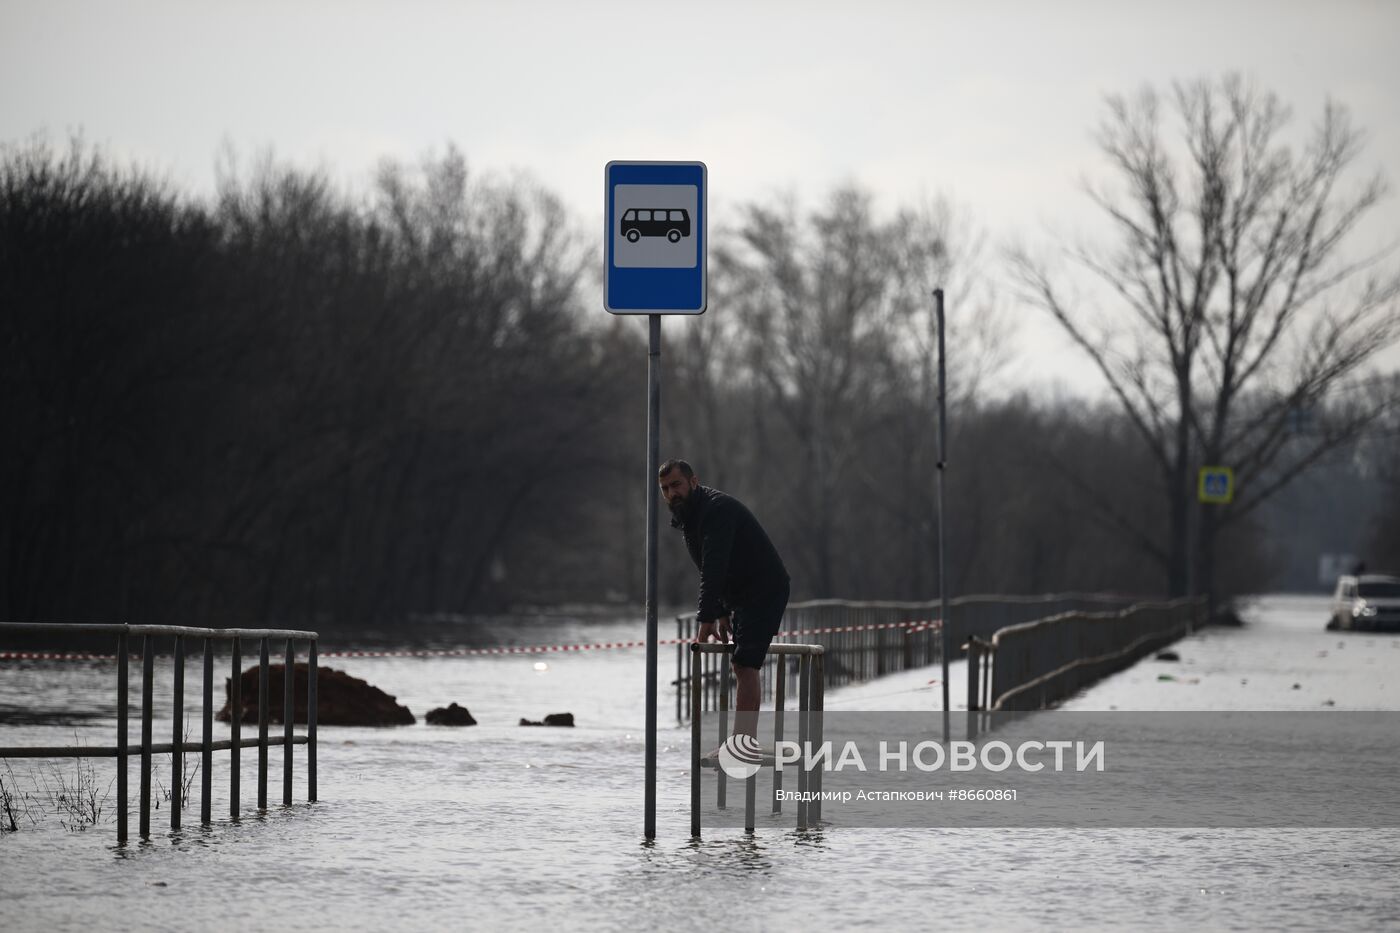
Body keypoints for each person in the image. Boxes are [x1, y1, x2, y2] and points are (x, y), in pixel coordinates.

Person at [659, 458, 789, 743]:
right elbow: (705, 566)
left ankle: (742, 744)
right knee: (741, 665)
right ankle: (742, 741)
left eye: (676, 485)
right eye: (665, 489)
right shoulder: (689, 514)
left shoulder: (717, 510)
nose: (671, 494)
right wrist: (719, 611)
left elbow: (714, 568)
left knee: (745, 664)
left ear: (694, 481)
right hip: (739, 593)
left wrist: (704, 618)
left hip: (764, 588)